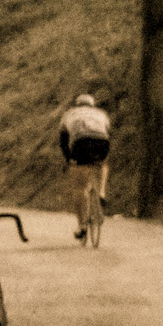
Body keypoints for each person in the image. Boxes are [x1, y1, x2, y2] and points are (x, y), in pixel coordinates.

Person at [58, 93, 111, 242]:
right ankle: (101, 192)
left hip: (81, 143)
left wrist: (69, 160)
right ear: (92, 104)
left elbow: (63, 141)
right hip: (102, 142)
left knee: (79, 188)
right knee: (103, 163)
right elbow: (107, 132)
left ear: (77, 104)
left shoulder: (69, 114)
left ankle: (82, 226)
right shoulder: (101, 114)